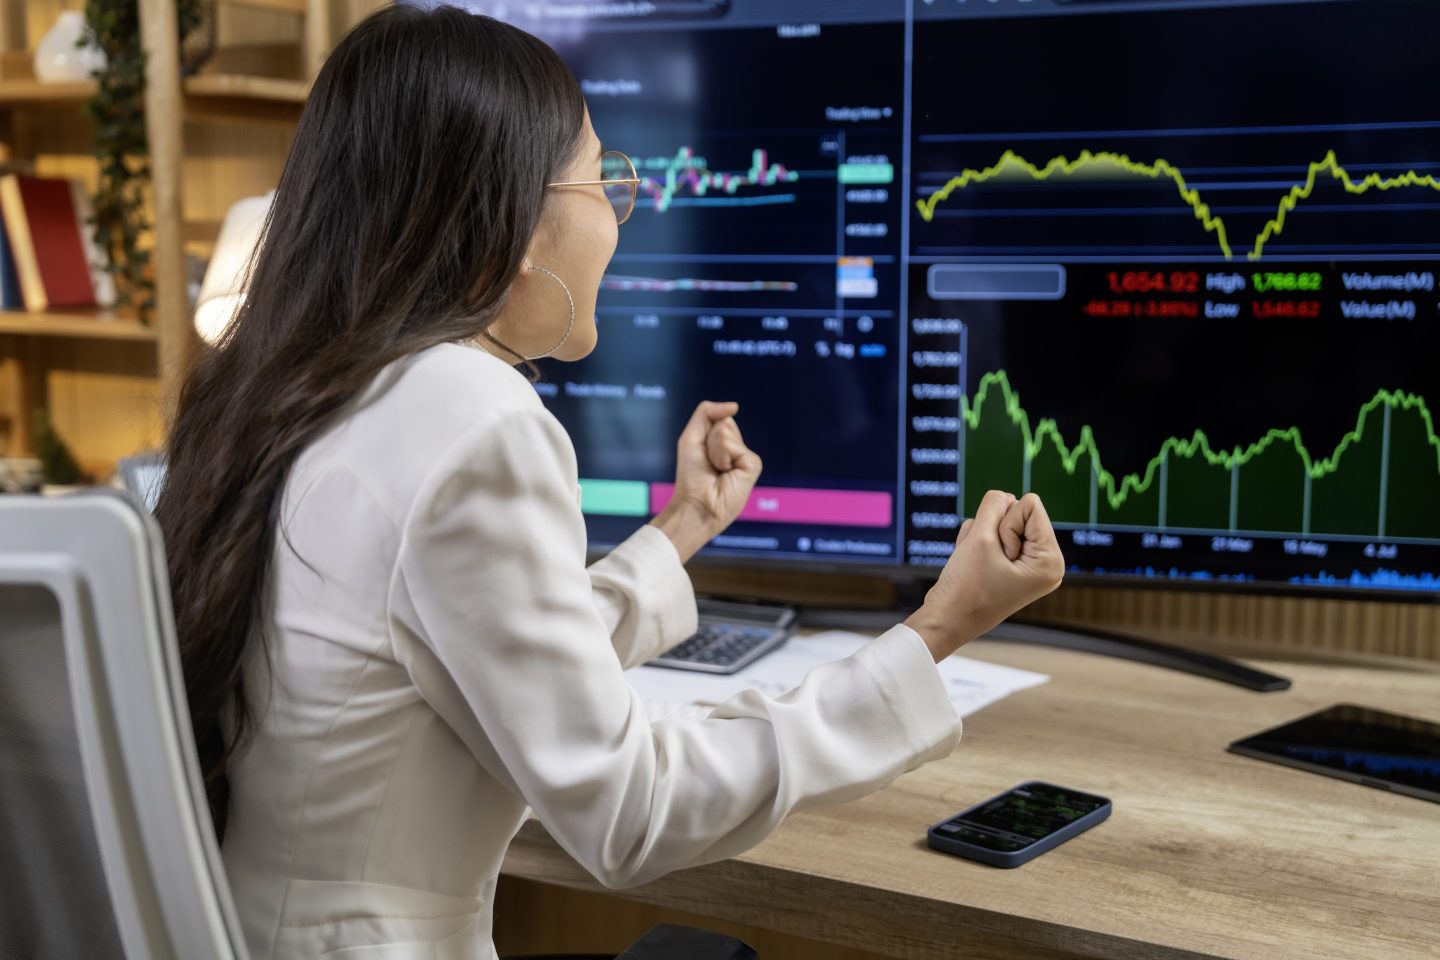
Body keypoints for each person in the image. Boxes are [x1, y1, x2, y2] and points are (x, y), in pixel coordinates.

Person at [155, 7, 1065, 959]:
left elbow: (469, 643)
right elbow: (632, 810)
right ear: (514, 220)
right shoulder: (475, 415)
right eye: (603, 179)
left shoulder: (292, 386)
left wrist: (683, 527)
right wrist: (940, 628)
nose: (620, 214)